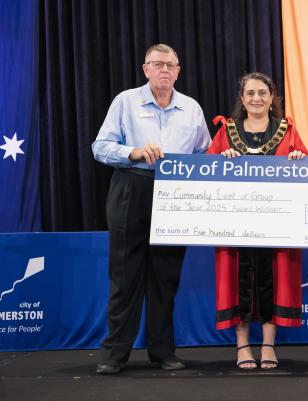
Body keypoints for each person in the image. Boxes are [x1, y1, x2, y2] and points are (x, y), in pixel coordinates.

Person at [91, 44, 211, 374]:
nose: (164, 70)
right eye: (157, 64)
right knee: (125, 276)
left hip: (175, 194)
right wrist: (133, 152)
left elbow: (204, 152)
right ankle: (114, 354)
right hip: (132, 187)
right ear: (145, 69)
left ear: (178, 71)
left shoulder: (191, 108)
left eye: (170, 65)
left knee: (165, 277)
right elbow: (100, 147)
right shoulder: (125, 101)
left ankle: (162, 352)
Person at [207, 72, 308, 370]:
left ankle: (267, 345)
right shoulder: (226, 132)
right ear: (242, 98)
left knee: (272, 280)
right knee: (239, 281)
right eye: (250, 93)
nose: (256, 99)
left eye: (262, 93)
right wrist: (219, 160)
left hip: (277, 224)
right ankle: (242, 346)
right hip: (235, 222)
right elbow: (205, 171)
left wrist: (300, 158)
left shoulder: (287, 130)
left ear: (271, 96)